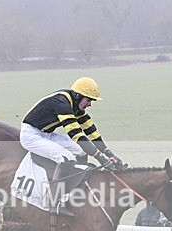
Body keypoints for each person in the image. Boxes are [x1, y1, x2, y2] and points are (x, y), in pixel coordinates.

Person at [20, 77, 126, 217]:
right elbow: (76, 135)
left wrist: (109, 154)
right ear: (78, 95)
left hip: (47, 134)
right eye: (88, 100)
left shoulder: (76, 106)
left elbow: (91, 132)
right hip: (31, 135)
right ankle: (54, 202)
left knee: (81, 151)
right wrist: (101, 159)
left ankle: (76, 187)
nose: (89, 104)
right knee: (66, 157)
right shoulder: (62, 104)